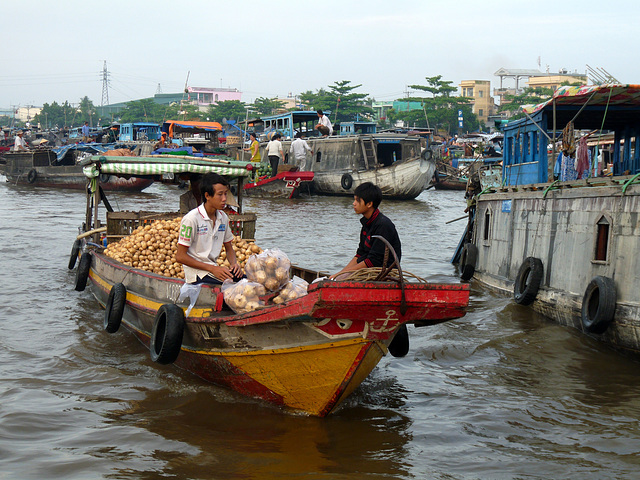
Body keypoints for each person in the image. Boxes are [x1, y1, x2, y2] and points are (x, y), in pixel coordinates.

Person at [176, 172, 242, 285]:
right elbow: (180, 256)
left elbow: (229, 247)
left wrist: (234, 264)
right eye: (220, 194)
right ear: (207, 196)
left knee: (246, 280)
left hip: (212, 269)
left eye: (226, 194)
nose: (224, 199)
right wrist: (212, 269)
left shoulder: (223, 217)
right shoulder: (192, 219)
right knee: (234, 285)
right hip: (196, 274)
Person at [331, 182, 402, 280]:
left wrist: (345, 275)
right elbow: (360, 254)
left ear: (369, 204)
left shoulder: (383, 225)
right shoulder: (367, 223)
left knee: (340, 280)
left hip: (382, 274)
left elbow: (373, 261)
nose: (354, 203)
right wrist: (339, 274)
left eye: (357, 200)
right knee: (337, 278)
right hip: (367, 269)